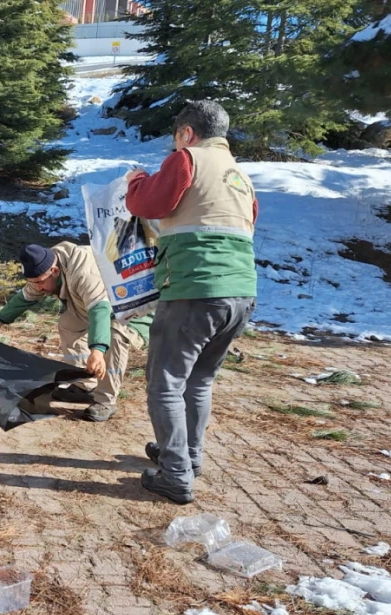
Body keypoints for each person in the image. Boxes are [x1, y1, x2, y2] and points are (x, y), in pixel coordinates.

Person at [125, 101, 258, 504]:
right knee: (199, 380)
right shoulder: (240, 175)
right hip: (240, 293)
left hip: (194, 289)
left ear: (186, 133)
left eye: (175, 138)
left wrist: (137, 180)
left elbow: (148, 204)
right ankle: (188, 455)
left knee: (164, 383)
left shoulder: (187, 159)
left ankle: (174, 474)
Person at [0, 242, 151, 422]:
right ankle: (85, 386)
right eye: (33, 282)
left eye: (40, 282)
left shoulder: (84, 272)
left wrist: (97, 350)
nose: (38, 287)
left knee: (114, 335)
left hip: (132, 308)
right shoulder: (44, 269)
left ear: (54, 271)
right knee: (68, 323)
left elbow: (99, 309)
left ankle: (105, 400)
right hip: (94, 306)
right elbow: (26, 297)